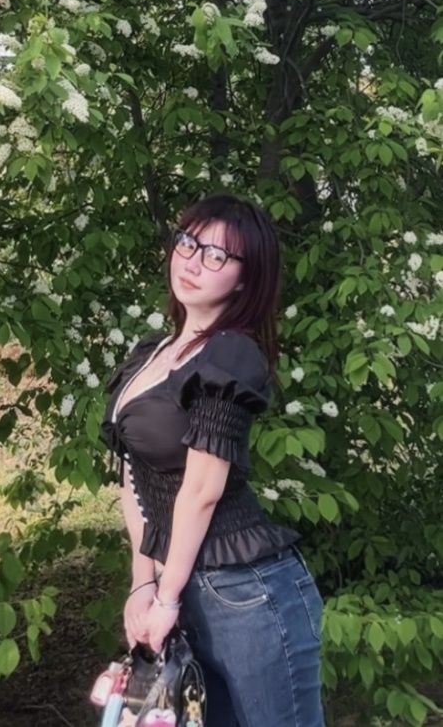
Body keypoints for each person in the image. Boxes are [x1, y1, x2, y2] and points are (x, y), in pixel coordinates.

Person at [100, 192, 326, 727]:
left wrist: (166, 600)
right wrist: (142, 584)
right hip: (181, 587)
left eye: (217, 255)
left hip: (248, 594)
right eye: (188, 242)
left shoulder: (230, 355)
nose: (193, 262)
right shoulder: (151, 354)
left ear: (245, 279)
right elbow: (134, 478)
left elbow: (201, 490)